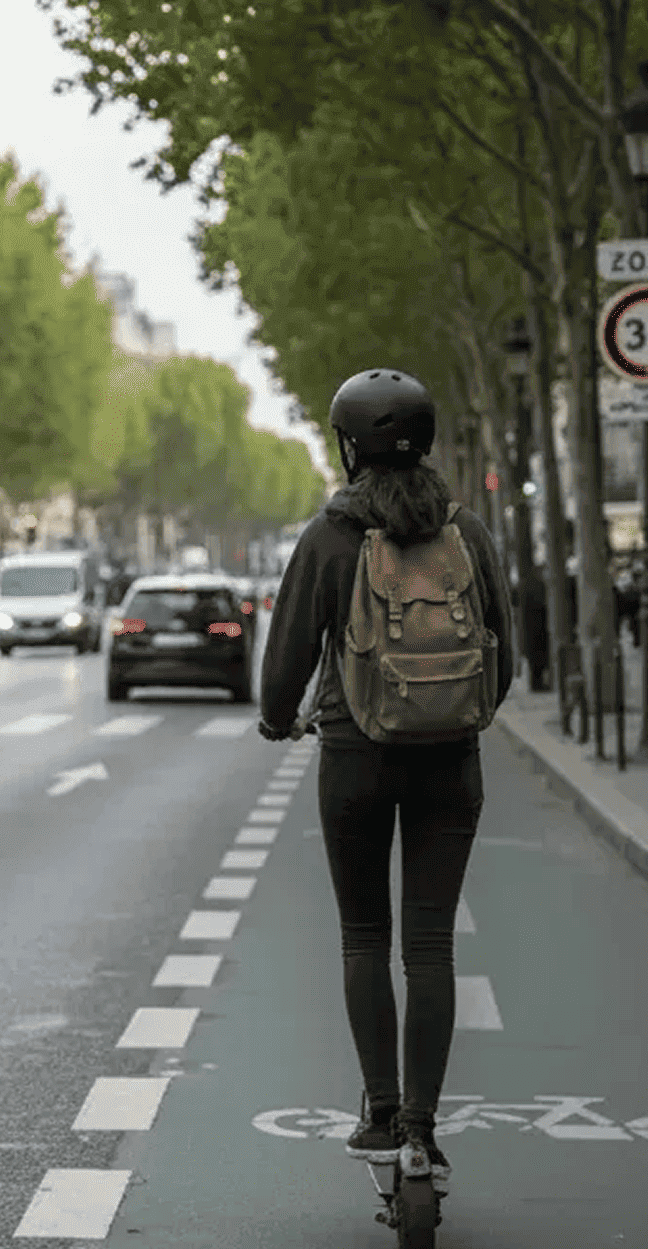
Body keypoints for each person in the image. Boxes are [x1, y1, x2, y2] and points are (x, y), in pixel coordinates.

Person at [258, 368, 515, 1184]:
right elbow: (504, 654)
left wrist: (277, 718)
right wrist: (458, 715)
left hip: (356, 759)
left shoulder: (330, 538)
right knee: (430, 944)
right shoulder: (465, 532)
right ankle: (423, 1126)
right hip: (451, 764)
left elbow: (286, 662)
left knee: (366, 936)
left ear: (347, 448)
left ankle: (377, 1109)